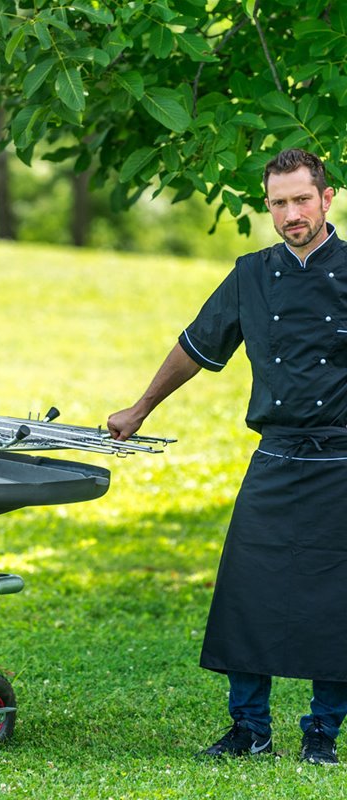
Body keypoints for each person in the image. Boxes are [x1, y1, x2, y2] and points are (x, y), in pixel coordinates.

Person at [107, 148, 347, 765]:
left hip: (343, 461)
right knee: (249, 592)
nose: (291, 214)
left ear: (327, 198)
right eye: (279, 203)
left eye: (302, 199)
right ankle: (249, 729)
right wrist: (140, 409)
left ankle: (322, 733)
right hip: (276, 456)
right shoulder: (250, 275)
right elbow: (196, 346)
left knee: (337, 603)